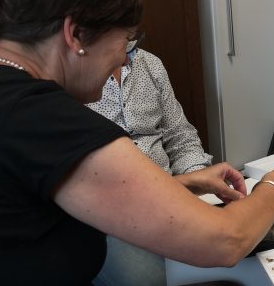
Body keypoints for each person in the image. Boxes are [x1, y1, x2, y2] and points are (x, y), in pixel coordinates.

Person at [0, 0, 274, 284]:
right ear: (76, 35)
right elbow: (225, 242)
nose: (125, 58)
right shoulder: (45, 118)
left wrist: (182, 184)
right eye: (125, 39)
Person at [87, 46, 217, 285]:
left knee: (225, 255)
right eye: (123, 37)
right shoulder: (71, 78)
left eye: (133, 38)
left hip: (171, 195)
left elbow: (181, 137)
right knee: (151, 279)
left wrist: (198, 180)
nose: (127, 55)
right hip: (110, 215)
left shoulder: (150, 64)